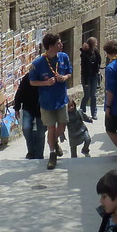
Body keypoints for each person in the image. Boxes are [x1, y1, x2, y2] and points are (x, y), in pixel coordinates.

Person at [29, 32, 72, 169]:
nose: (61, 45)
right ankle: (52, 154)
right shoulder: (38, 63)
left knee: (62, 126)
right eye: (58, 43)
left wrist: (64, 78)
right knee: (51, 128)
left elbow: (69, 72)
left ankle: (54, 142)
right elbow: (32, 82)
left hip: (61, 99)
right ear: (51, 47)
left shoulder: (63, 57)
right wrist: (46, 83)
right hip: (47, 102)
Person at [12, 71, 45, 160]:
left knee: (41, 133)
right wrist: (17, 108)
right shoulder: (27, 77)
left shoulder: (45, 77)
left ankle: (39, 154)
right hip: (28, 108)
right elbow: (20, 92)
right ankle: (31, 151)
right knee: (26, 128)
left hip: (42, 109)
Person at [80, 37, 102, 121]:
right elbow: (84, 69)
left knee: (93, 95)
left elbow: (99, 59)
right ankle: (82, 111)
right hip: (86, 77)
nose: (96, 45)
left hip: (94, 76)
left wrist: (97, 67)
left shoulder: (95, 51)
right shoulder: (84, 54)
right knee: (87, 95)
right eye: (95, 43)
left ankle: (94, 113)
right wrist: (85, 81)